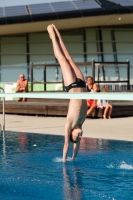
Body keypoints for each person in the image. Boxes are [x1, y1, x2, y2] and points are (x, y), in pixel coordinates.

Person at [47, 24, 87, 162]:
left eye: (77, 136)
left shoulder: (68, 125)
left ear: (71, 133)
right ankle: (57, 32)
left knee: (62, 59)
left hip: (71, 86)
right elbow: (76, 145)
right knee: (70, 58)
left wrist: (65, 159)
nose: (80, 136)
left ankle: (52, 36)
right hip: (82, 84)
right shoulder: (81, 123)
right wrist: (74, 158)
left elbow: (67, 144)